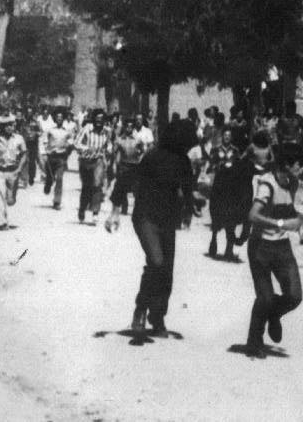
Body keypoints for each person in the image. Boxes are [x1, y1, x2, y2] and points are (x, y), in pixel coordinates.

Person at [129, 121, 195, 336]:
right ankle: (140, 309)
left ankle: (157, 316)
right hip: (146, 217)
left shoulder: (183, 161)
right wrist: (115, 209)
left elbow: (188, 187)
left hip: (168, 220)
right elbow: (129, 178)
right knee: (156, 262)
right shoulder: (152, 157)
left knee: (166, 271)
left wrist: (189, 209)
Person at [244, 147, 303, 357]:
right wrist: (280, 224)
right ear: (286, 165)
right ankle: (254, 341)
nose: (302, 169)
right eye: (299, 165)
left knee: (295, 296)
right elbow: (253, 215)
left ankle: (273, 315)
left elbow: (288, 210)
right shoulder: (267, 184)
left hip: (281, 246)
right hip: (260, 246)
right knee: (266, 298)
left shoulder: (292, 183)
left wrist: (299, 228)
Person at [207, 128, 250, 260]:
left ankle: (229, 247)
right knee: (216, 209)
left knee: (232, 213)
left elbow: (239, 165)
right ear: (222, 137)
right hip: (219, 183)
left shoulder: (235, 151)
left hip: (231, 185)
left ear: (231, 137)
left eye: (229, 135)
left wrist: (233, 166)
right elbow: (210, 166)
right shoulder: (216, 150)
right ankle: (214, 238)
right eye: (225, 135)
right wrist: (219, 165)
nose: (226, 137)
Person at [0, 118, 28, 228]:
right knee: (0, 196)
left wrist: (19, 169)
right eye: (7, 125)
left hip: (13, 171)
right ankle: (3, 221)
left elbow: (24, 154)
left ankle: (11, 198)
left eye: (12, 125)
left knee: (10, 200)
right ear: (2, 127)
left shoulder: (19, 138)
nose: (10, 128)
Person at [105, 118, 146, 232]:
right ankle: (114, 216)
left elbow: (143, 151)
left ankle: (140, 216)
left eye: (131, 126)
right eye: (127, 126)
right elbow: (113, 153)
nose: (129, 128)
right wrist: (114, 164)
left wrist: (140, 156)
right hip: (123, 167)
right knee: (118, 191)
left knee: (138, 192)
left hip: (135, 167)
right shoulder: (119, 140)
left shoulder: (138, 140)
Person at [74, 109, 112, 225]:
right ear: (93, 119)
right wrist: (87, 148)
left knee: (97, 185)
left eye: (101, 120)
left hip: (98, 160)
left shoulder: (106, 132)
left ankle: (95, 212)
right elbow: (76, 143)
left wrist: (109, 149)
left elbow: (109, 144)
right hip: (85, 161)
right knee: (86, 187)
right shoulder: (87, 129)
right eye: (97, 119)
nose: (99, 122)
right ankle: (82, 208)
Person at [40, 108, 74, 210]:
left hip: (61, 158)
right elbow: (44, 141)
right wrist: (45, 153)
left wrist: (68, 149)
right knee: (50, 177)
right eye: (57, 117)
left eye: (61, 117)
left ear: (63, 119)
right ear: (55, 118)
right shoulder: (50, 130)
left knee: (59, 179)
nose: (59, 119)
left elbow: (71, 143)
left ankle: (57, 201)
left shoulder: (67, 132)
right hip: (51, 157)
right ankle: (48, 184)